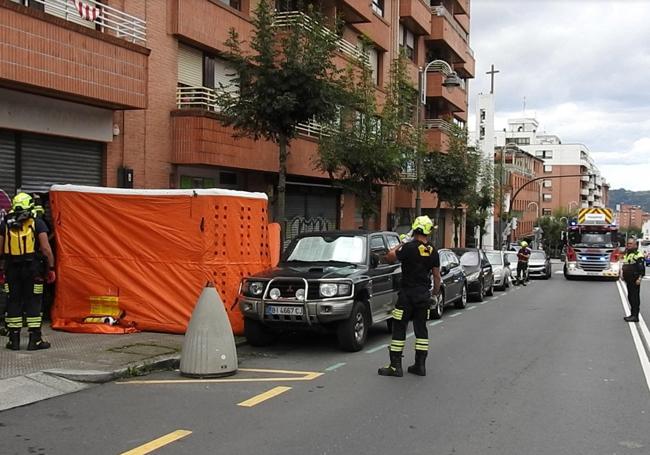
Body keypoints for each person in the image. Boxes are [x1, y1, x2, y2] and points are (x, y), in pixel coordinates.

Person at [378, 215, 441, 377]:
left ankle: (395, 366)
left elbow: (390, 257)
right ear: (428, 231)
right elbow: (436, 277)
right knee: (421, 330)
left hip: (406, 295)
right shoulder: (434, 251)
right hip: (423, 296)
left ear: (415, 229)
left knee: (399, 328)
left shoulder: (409, 247)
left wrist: (402, 242)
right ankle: (420, 366)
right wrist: (434, 295)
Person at [0, 193, 56, 350]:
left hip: (11, 270)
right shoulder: (37, 223)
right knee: (34, 301)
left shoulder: (5, 224)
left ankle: (14, 340)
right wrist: (50, 268)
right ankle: (35, 340)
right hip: (33, 270)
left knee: (13, 301)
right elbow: (46, 248)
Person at [622, 238, 645, 323]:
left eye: (631, 244)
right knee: (630, 297)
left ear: (635, 245)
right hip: (628, 280)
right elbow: (625, 264)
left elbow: (641, 268)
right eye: (628, 243)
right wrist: (622, 274)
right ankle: (632, 315)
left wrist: (639, 278)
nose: (629, 245)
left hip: (635, 280)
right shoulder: (628, 254)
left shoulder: (638, 255)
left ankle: (635, 316)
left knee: (634, 298)